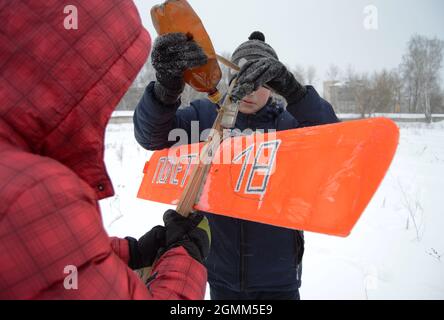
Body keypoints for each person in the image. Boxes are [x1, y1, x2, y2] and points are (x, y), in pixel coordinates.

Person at [0, 0, 210, 300]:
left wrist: (132, 253)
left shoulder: (14, 172)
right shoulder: (31, 193)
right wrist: (186, 257)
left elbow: (50, 266)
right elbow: (153, 135)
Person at [133, 31, 339, 300]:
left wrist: (296, 92)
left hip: (278, 277)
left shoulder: (288, 124)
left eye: (262, 82)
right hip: (220, 274)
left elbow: (333, 145)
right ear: (231, 80)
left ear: (274, 86)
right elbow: (152, 137)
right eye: (242, 78)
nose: (251, 90)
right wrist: (166, 90)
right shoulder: (205, 118)